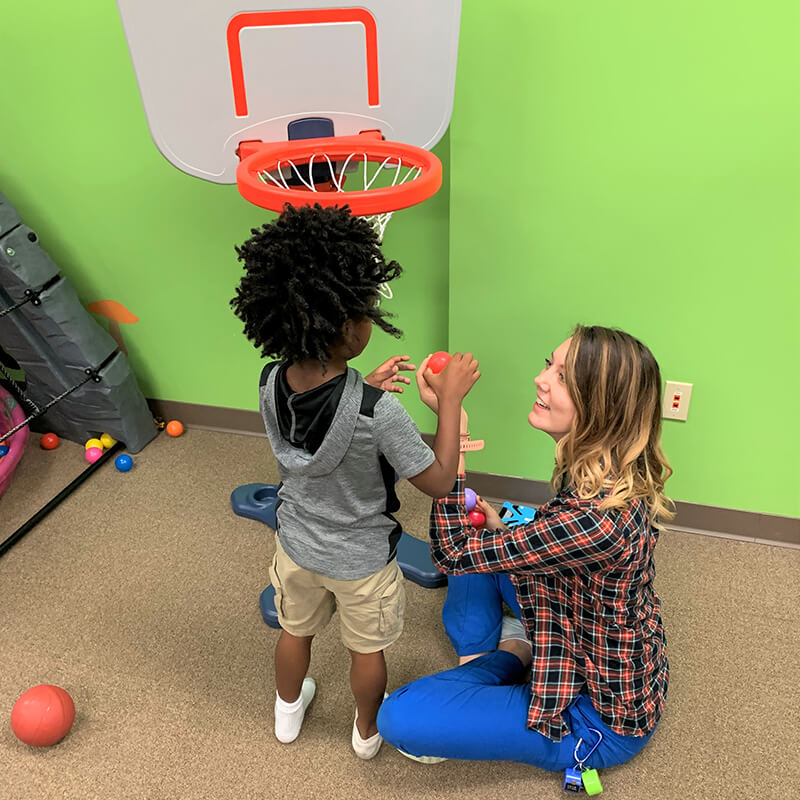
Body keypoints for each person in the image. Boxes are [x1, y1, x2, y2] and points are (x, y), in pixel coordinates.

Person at [230, 203, 480, 760]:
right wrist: (452, 402)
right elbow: (439, 481)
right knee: (366, 650)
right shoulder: (378, 415)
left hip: (295, 543)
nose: (372, 318)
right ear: (348, 329)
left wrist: (363, 387)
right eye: (368, 310)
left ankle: (287, 716)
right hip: (361, 558)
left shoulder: (270, 378)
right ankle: (366, 734)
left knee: (295, 632)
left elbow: (320, 414)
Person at [378, 325, 673, 774]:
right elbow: (524, 543)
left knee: (398, 715)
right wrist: (501, 533)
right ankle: (501, 648)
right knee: (492, 527)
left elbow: (452, 552)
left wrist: (453, 423)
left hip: (593, 720)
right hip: (578, 620)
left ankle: (513, 655)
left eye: (564, 377)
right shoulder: (601, 466)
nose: (542, 379)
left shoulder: (595, 521)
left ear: (602, 407)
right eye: (549, 364)